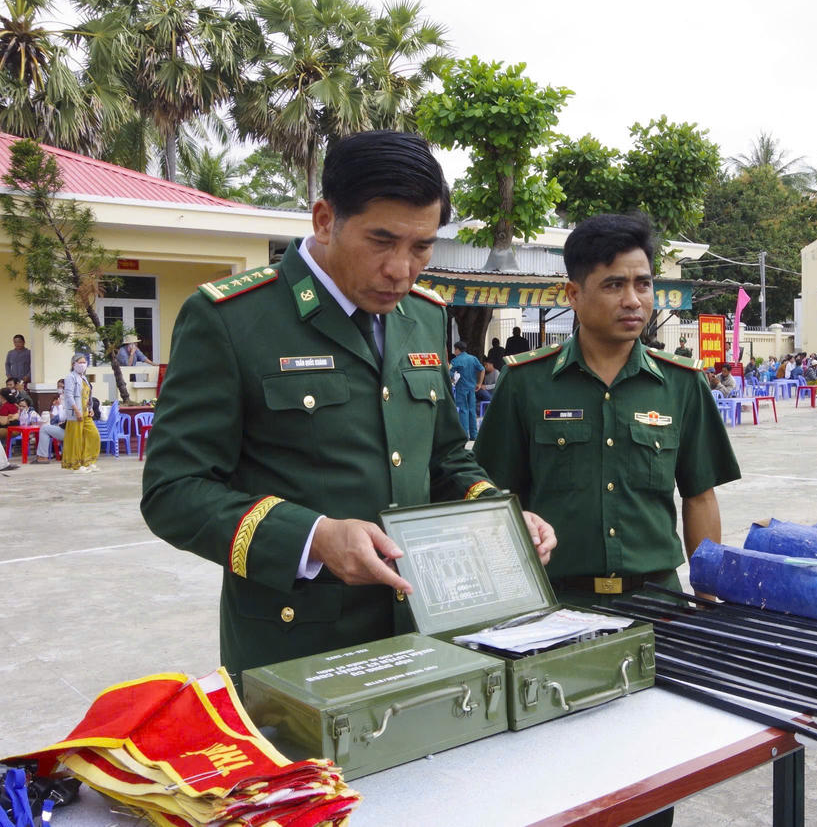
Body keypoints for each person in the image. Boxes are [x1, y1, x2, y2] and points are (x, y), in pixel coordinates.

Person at [141, 131, 556, 677]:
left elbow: (446, 458)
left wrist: (500, 515)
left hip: (423, 628)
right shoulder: (231, 319)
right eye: (382, 241)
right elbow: (174, 491)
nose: (401, 270)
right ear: (323, 219)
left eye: (421, 247)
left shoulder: (424, 316)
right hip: (295, 645)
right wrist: (314, 539)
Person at [474, 212, 740, 614]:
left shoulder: (682, 383)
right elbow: (498, 497)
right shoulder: (526, 382)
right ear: (573, 294)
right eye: (614, 285)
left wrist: (707, 602)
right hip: (555, 604)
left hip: (659, 604)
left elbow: (700, 497)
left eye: (643, 284)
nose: (633, 300)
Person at [62, 354, 101, 471]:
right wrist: (76, 411)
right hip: (76, 413)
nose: (83, 365)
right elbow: (68, 395)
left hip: (86, 412)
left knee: (94, 435)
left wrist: (91, 408)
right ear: (73, 364)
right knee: (76, 439)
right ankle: (76, 465)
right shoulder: (70, 377)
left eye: (84, 362)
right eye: (80, 362)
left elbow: (88, 395)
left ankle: (88, 462)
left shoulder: (84, 378)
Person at [449, 339, 482, 439]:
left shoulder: (455, 360)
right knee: (472, 410)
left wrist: (452, 380)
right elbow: (482, 369)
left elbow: (449, 373)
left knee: (463, 410)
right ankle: (474, 435)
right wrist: (479, 383)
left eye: (455, 350)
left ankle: (464, 435)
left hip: (461, 388)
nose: (454, 352)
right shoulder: (473, 358)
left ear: (458, 350)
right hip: (472, 388)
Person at [32, 379, 66, 464]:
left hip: (69, 430)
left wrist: (60, 406)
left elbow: (61, 417)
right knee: (47, 427)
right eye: (58, 387)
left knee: (44, 429)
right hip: (71, 428)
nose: (59, 389)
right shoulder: (61, 399)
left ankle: (43, 456)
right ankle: (44, 455)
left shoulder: (66, 400)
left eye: (61, 387)